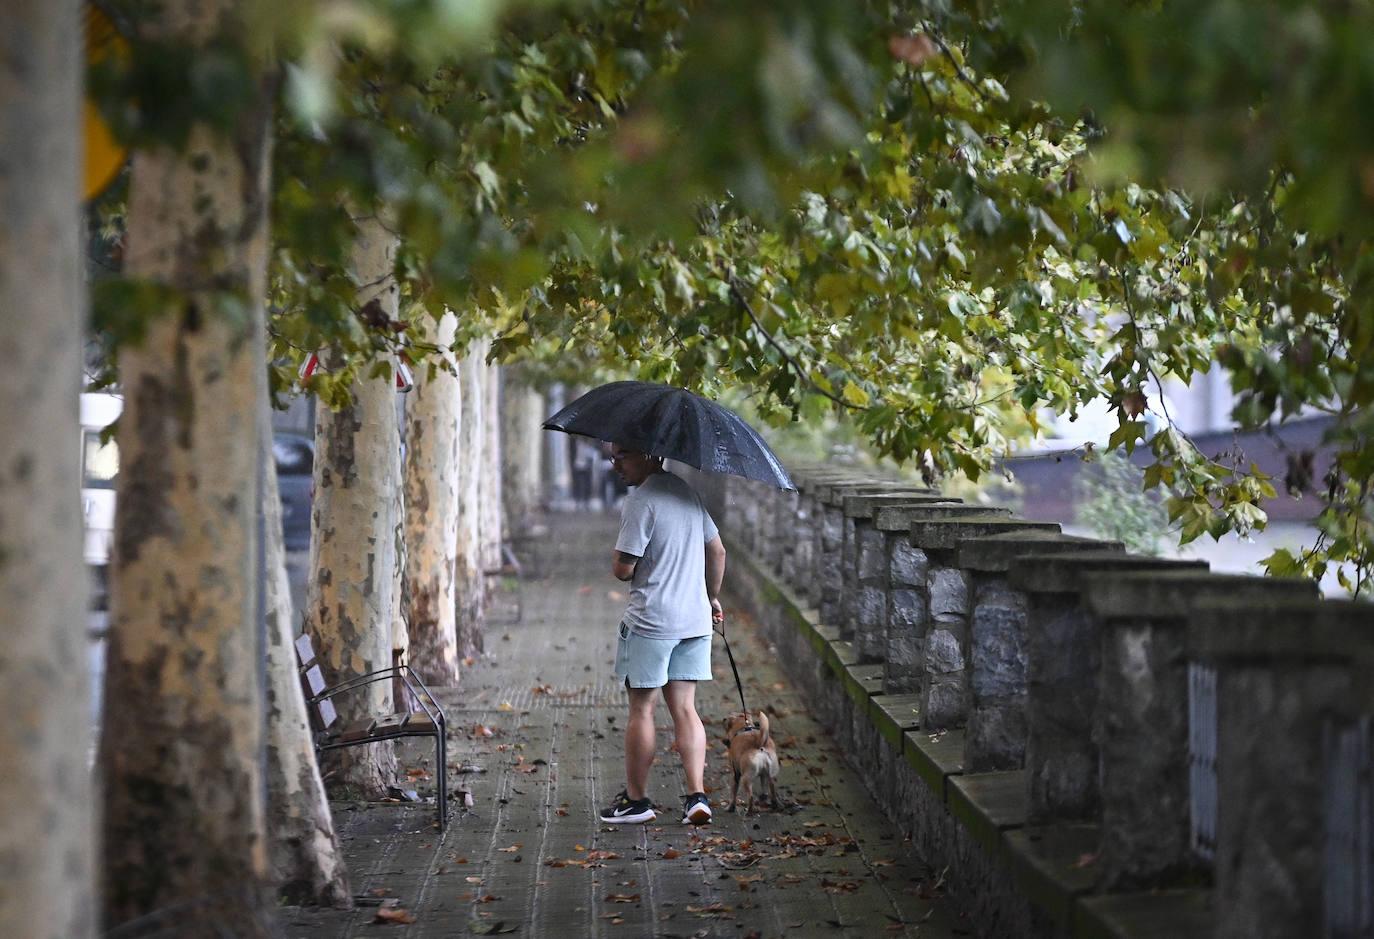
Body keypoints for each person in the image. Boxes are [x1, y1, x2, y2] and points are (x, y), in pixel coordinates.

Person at [599, 444, 726, 826]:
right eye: (612, 457)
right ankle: (697, 797)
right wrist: (711, 597)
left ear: (649, 454)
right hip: (694, 621)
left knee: (642, 710)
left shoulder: (641, 500)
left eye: (622, 455)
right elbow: (717, 551)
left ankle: (636, 801)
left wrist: (619, 558)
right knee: (685, 708)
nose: (615, 464)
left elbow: (624, 568)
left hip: (652, 622)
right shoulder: (687, 493)